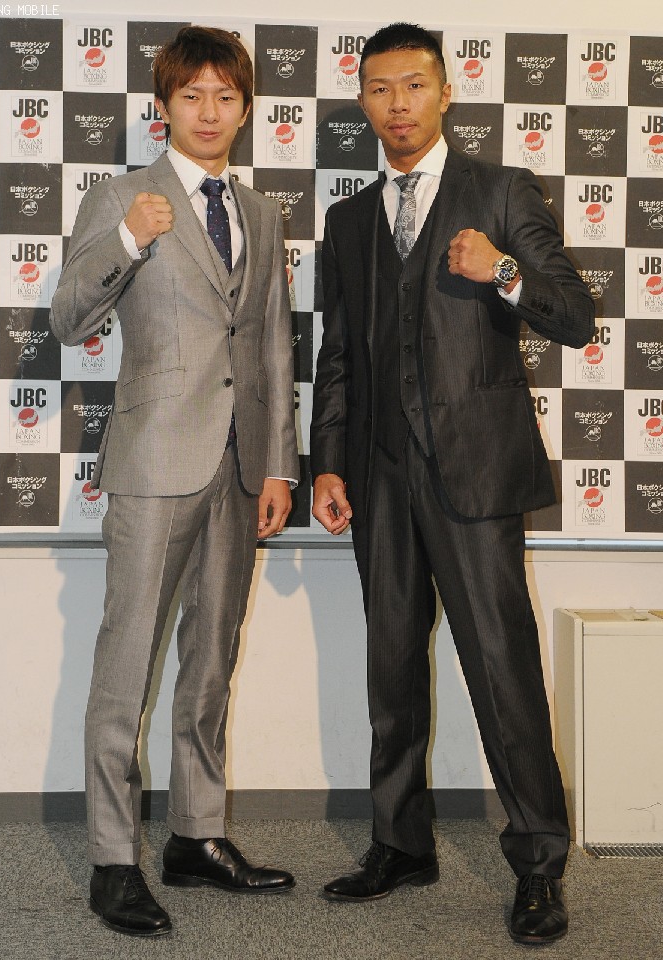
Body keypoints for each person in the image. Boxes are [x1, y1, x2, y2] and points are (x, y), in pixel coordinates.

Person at [310, 22, 594, 945]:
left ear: (444, 92)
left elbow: (576, 315)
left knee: (504, 673)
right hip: (379, 477)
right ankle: (401, 843)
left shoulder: (501, 191)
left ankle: (539, 865)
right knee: (390, 669)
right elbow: (338, 355)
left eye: (414, 85)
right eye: (380, 88)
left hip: (475, 473)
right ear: (363, 100)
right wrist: (327, 461)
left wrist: (502, 269)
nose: (397, 104)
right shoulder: (349, 220)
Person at [50, 26, 298, 938]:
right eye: (191, 96)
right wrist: (127, 238)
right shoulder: (123, 197)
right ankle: (114, 860)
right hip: (155, 460)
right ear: (164, 106)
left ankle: (196, 836)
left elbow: (272, 344)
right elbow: (68, 318)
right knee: (127, 668)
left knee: (210, 663)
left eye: (225, 97)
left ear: (245, 108)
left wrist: (279, 465)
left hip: (240, 465)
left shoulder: (260, 212)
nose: (209, 112)